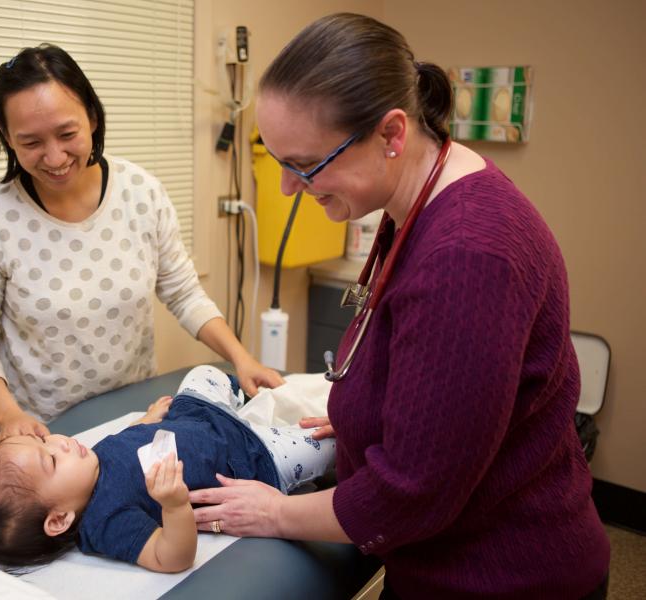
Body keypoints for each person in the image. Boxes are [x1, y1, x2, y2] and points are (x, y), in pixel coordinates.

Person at [187, 13, 610, 600]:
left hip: (505, 574)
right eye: (279, 160)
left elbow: (411, 492)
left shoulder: (467, 255)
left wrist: (274, 514)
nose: (287, 188)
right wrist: (377, 414)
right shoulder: (420, 196)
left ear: (391, 134)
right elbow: (450, 384)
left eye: (304, 166)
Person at [0, 44, 283, 442]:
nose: (55, 157)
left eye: (67, 133)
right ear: (7, 137)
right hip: (42, 437)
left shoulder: (140, 192)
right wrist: (8, 416)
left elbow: (183, 293)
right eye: (31, 142)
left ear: (92, 117)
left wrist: (241, 358)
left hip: (134, 417)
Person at [0, 365, 334, 572]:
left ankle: (238, 400)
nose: (59, 441)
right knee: (328, 442)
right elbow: (171, 557)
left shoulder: (84, 463)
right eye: (50, 458)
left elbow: (124, 444)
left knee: (204, 373)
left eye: (44, 439)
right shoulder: (105, 522)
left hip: (199, 416)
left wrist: (146, 422)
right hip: (251, 460)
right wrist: (175, 506)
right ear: (59, 519)